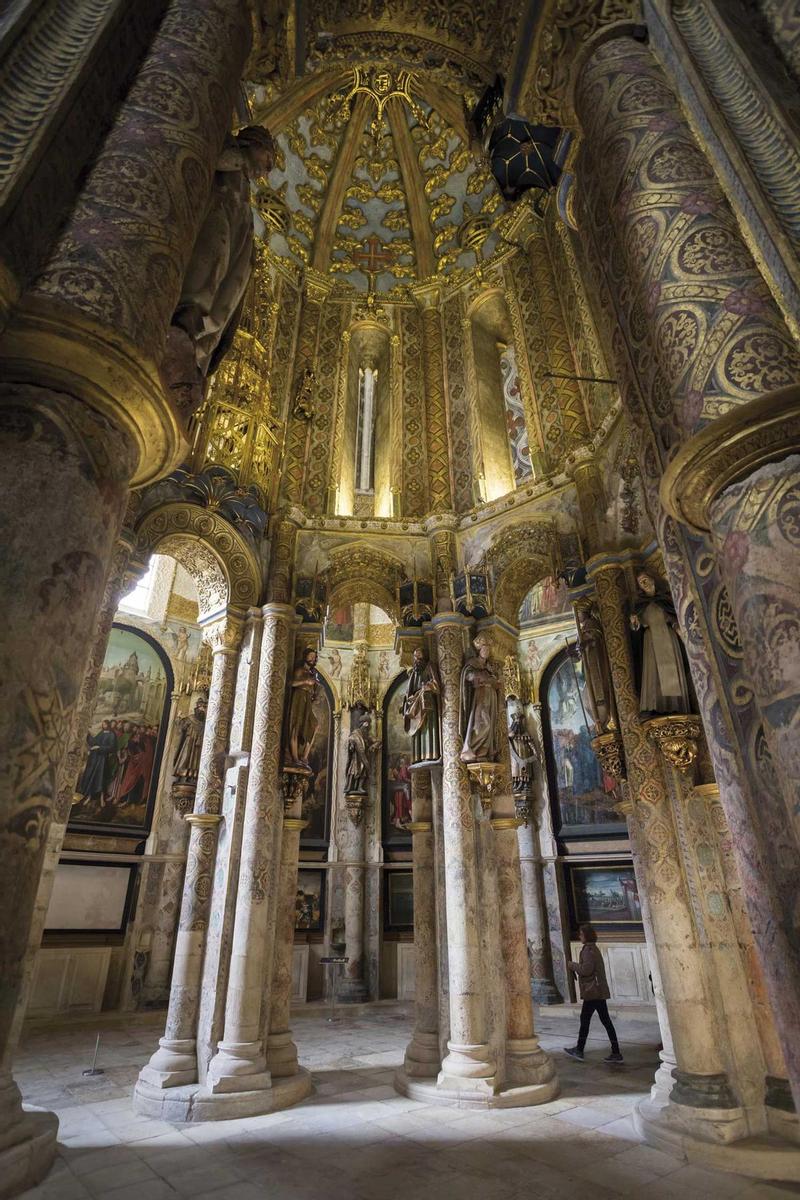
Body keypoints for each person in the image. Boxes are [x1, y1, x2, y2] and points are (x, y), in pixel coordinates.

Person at [564, 923, 623, 1063]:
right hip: (597, 991)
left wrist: (572, 965)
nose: (579, 936)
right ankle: (615, 1051)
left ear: (586, 935)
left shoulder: (588, 950)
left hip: (594, 992)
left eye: (581, 934)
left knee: (587, 1020)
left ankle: (579, 1050)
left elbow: (586, 970)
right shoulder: (592, 949)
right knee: (603, 1021)